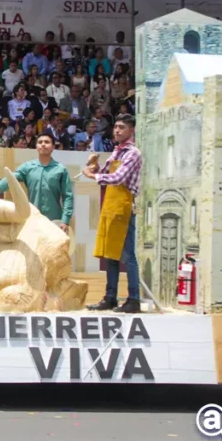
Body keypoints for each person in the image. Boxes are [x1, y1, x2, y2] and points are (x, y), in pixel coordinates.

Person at [82, 114, 142, 313]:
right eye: (115, 127)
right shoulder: (116, 152)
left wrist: (92, 175)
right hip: (110, 206)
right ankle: (110, 297)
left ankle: (134, 299)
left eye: (122, 127)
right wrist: (94, 165)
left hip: (123, 207)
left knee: (128, 255)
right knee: (110, 255)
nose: (117, 130)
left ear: (131, 130)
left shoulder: (133, 153)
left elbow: (117, 177)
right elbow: (105, 172)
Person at [0, 133, 73, 233]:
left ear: (53, 147)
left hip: (54, 221)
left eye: (47, 142)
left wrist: (65, 220)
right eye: (40, 142)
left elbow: (67, 196)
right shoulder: (28, 167)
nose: (43, 144)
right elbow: (9, 180)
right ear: (36, 147)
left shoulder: (61, 169)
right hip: (33, 219)